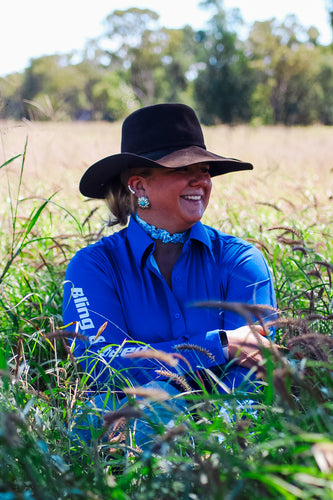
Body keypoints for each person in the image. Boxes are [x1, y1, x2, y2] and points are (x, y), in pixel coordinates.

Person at [63, 103, 277, 447]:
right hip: (128, 447)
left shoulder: (240, 261)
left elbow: (257, 366)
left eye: (204, 169)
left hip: (227, 441)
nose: (201, 180)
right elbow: (100, 366)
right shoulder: (94, 267)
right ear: (139, 186)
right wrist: (221, 345)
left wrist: (209, 434)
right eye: (183, 169)